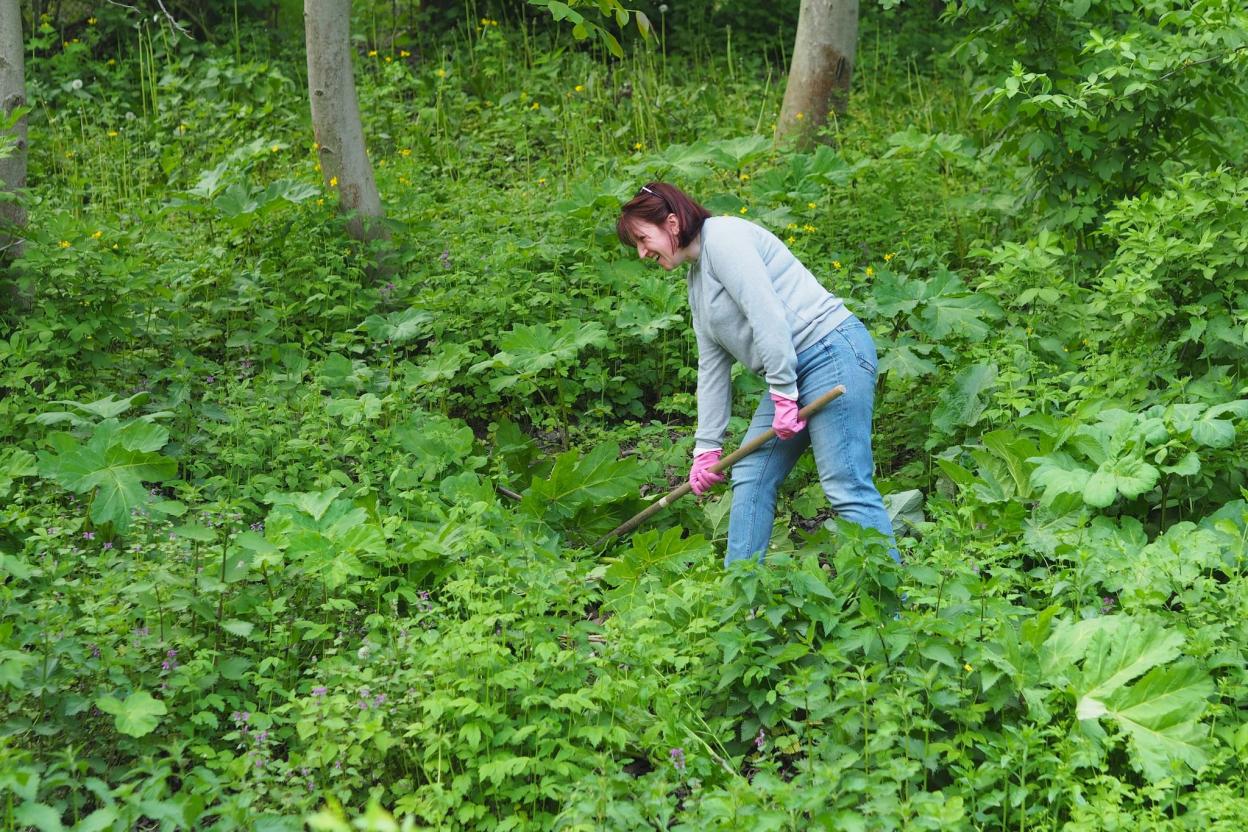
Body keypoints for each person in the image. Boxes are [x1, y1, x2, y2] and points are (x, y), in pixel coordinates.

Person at [616, 181, 900, 566]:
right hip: (792, 371)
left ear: (671, 222)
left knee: (845, 483)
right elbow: (712, 366)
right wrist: (706, 448)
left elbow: (767, 315)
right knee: (750, 473)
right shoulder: (697, 281)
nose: (641, 251)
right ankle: (743, 597)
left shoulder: (725, 239)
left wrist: (783, 392)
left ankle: (891, 610)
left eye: (643, 238)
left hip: (831, 351)